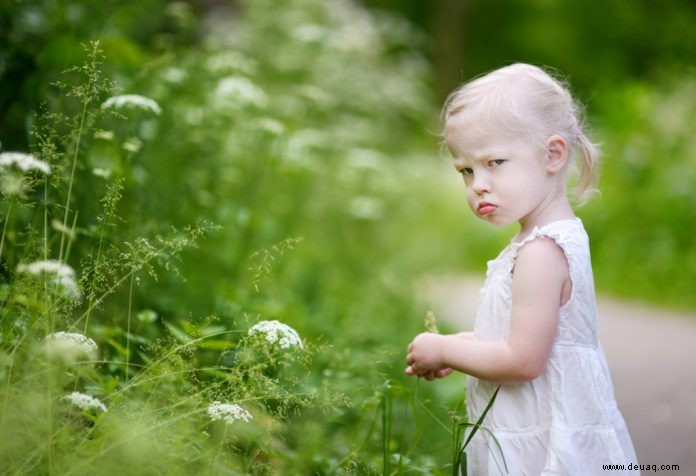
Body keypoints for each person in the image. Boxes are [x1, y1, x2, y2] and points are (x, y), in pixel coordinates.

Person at [405, 63, 638, 475]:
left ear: (552, 154)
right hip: (536, 423)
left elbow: (523, 360)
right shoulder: (546, 238)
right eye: (466, 171)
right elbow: (524, 337)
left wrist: (444, 349)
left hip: (542, 441)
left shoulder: (542, 251)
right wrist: (463, 348)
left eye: (494, 162)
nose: (478, 184)